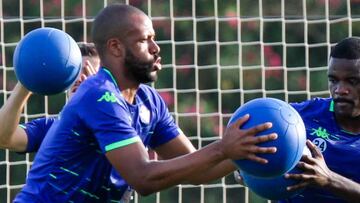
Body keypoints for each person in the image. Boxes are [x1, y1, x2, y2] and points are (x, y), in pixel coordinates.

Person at [13, 3, 278, 202]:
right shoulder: (98, 95)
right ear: (116, 48)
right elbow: (143, 178)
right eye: (143, 40)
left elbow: (194, 169)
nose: (155, 47)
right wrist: (224, 148)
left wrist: (253, 148)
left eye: (153, 38)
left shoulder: (149, 101)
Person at [235, 37, 360, 203]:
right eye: (333, 80)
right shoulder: (294, 118)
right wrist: (250, 170)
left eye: (352, 81)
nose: (340, 90)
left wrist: (329, 179)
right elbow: (229, 156)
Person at [0, 42, 100, 152]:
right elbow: (3, 138)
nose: (80, 79)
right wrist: (26, 80)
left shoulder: (115, 125)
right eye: (75, 72)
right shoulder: (51, 128)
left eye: (90, 73)